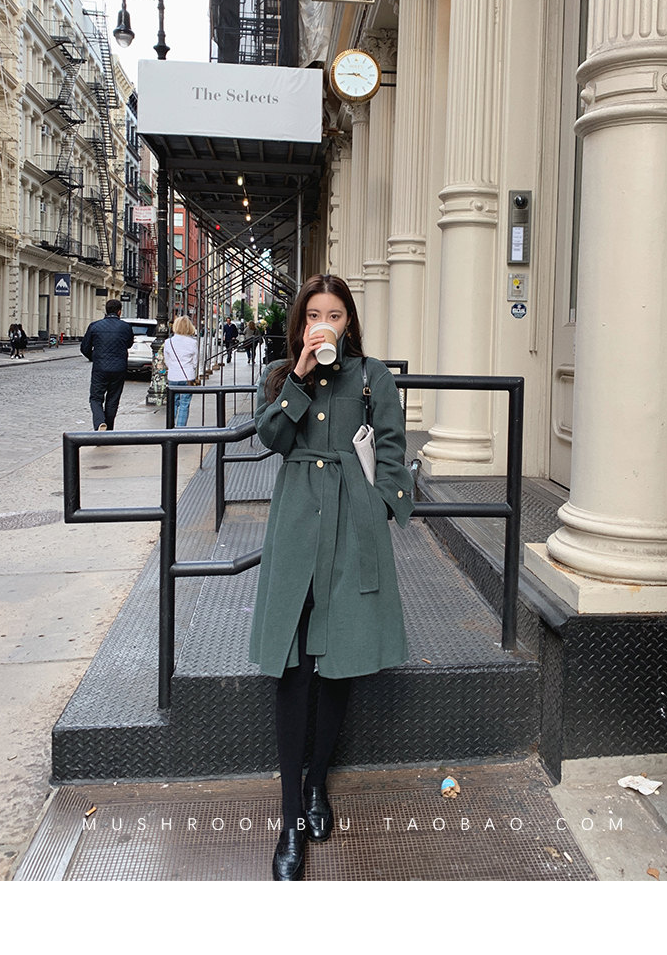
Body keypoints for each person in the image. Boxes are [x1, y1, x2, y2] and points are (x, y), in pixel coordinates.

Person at [250, 273, 414, 881]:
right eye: (314, 315)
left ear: (349, 322)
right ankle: (290, 817)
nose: (325, 325)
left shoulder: (372, 377)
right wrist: (297, 375)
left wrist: (382, 506)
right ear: (301, 322)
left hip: (352, 524)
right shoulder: (280, 375)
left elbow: (392, 446)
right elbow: (271, 437)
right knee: (292, 666)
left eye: (335, 316)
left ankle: (318, 783)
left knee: (339, 658)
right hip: (297, 524)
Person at [80, 298, 134, 431]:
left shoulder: (95, 326)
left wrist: (95, 357)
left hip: (100, 368)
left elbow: (84, 348)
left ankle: (100, 423)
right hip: (119, 368)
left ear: (106, 310)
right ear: (119, 311)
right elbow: (129, 344)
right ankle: (108, 430)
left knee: (96, 398)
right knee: (113, 400)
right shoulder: (126, 327)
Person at [163, 316, 199, 427]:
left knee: (173, 402)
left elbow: (167, 361)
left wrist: (173, 368)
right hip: (188, 376)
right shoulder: (193, 342)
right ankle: (180, 428)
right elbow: (195, 362)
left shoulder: (168, 342)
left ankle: (170, 426)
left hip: (173, 376)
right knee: (185, 404)